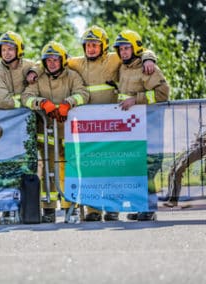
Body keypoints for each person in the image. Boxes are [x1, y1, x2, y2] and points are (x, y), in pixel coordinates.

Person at [67, 25, 157, 222]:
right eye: (87, 45)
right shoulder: (77, 63)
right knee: (92, 167)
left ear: (104, 46)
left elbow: (139, 51)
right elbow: (53, 59)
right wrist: (33, 71)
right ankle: (93, 210)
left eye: (95, 45)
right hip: (90, 128)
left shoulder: (114, 58)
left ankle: (113, 209)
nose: (90, 49)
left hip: (116, 125)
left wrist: (150, 58)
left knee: (113, 166)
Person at [22, 41, 89, 223]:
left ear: (63, 60)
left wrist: (69, 103)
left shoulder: (72, 76)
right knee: (49, 170)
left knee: (70, 168)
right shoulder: (39, 79)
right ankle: (49, 208)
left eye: (55, 60)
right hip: (48, 133)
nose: (51, 63)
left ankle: (70, 207)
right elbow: (25, 97)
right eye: (48, 60)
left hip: (70, 133)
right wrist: (42, 103)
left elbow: (83, 94)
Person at [113, 29, 169, 221]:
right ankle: (140, 206)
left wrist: (135, 100)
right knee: (135, 169)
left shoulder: (147, 68)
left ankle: (149, 209)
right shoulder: (122, 67)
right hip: (131, 129)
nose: (124, 52)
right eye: (121, 49)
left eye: (127, 48)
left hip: (150, 127)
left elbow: (163, 93)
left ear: (135, 48)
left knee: (148, 170)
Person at [0, 31, 36, 223]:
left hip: (30, 125)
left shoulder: (30, 66)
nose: (7, 53)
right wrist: (25, 103)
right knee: (5, 164)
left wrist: (36, 72)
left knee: (30, 164)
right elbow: (2, 100)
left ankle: (32, 204)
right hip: (5, 126)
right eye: (4, 49)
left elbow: (41, 67)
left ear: (19, 50)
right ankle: (4, 206)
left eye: (11, 49)